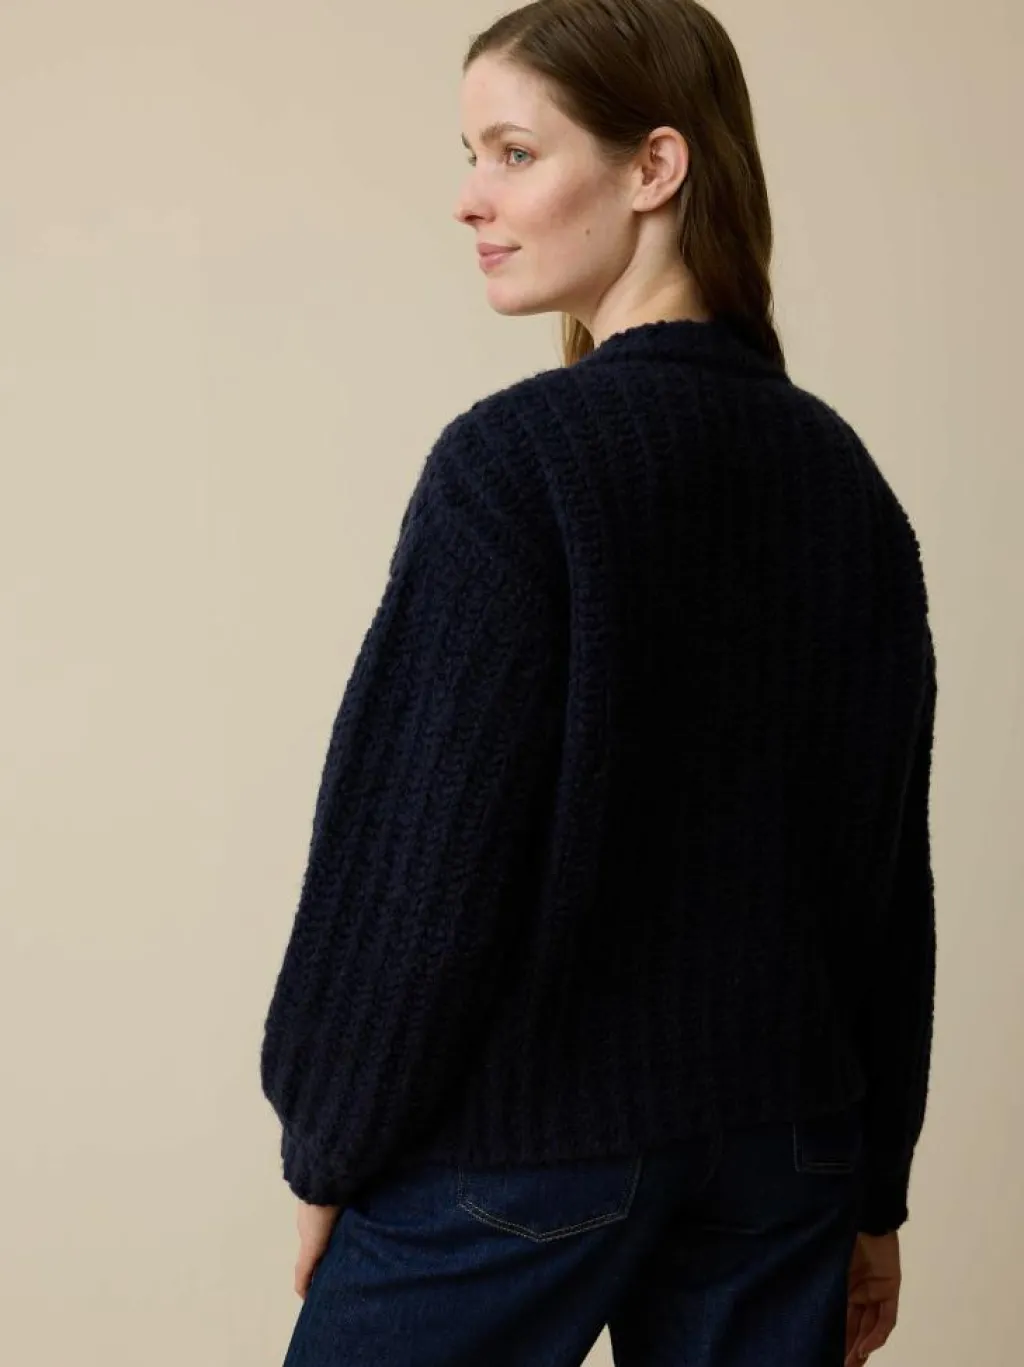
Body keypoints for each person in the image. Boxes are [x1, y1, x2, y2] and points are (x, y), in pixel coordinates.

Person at [259, 2, 937, 1364]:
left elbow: (418, 863)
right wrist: (871, 1189)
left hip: (533, 1144)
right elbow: (881, 873)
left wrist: (329, 1140)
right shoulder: (843, 480)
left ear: (654, 169)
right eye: (471, 155)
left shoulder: (516, 467)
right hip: (784, 1154)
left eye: (514, 152)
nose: (471, 197)